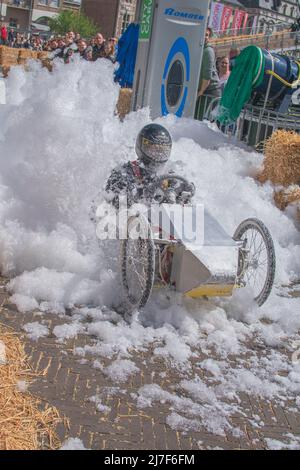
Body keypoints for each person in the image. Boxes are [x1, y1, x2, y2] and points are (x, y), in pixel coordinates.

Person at [105, 124, 174, 208]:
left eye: (162, 151)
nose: (158, 155)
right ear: (142, 146)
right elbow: (115, 208)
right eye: (154, 149)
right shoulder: (123, 174)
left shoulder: (169, 177)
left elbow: (186, 193)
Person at [196, 27, 221, 121]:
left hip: (210, 91)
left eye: (207, 35)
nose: (205, 37)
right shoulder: (201, 49)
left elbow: (207, 75)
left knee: (200, 120)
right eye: (203, 34)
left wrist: (200, 93)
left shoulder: (208, 51)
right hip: (204, 90)